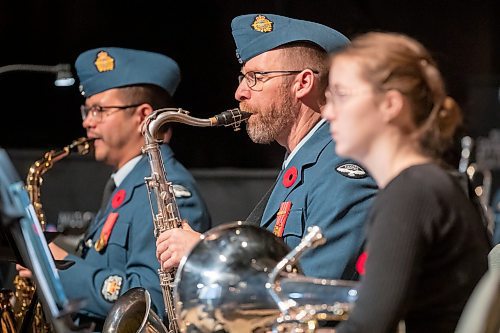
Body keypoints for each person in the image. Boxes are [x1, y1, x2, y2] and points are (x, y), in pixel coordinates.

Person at [156, 14, 378, 280]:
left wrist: (208, 255)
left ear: (303, 83)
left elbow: (308, 290)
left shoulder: (340, 173)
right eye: (242, 77)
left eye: (256, 77)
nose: (240, 93)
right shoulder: (302, 165)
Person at [18, 47, 212, 329]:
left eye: (100, 110)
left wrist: (57, 269)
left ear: (143, 116)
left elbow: (150, 303)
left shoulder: (165, 190)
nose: (87, 121)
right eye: (88, 109)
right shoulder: (125, 187)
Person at [320, 32, 491, 333]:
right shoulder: (426, 184)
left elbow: (368, 328)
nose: (327, 111)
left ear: (390, 105)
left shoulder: (411, 195)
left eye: (341, 95)